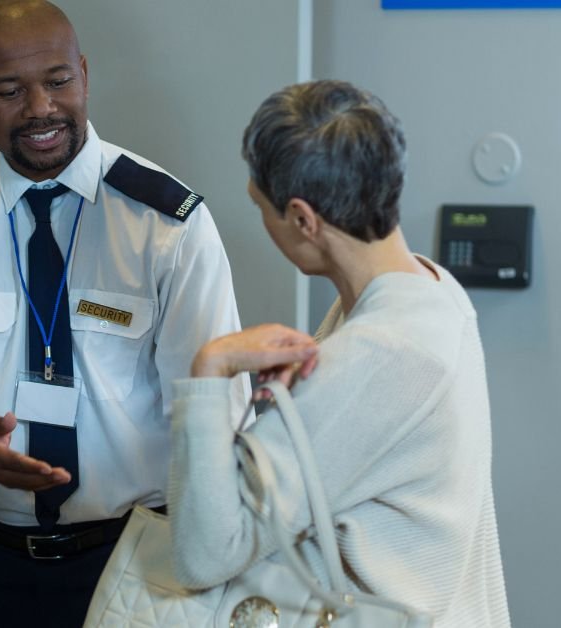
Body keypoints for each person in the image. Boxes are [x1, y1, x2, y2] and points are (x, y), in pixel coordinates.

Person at [0, 1, 247, 625]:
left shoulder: (165, 223)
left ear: (85, 74)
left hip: (138, 568)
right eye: (9, 91)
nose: (40, 109)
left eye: (57, 81)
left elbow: (212, 407)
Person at [168, 80, 511, 627]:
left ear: (304, 219)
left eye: (263, 207)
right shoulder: (433, 290)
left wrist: (210, 370)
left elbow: (204, 554)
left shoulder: (377, 353)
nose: (263, 221)